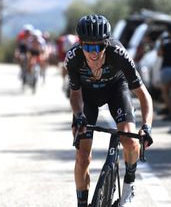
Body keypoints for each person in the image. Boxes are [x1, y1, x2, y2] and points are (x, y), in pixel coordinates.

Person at [65, 14, 154, 207]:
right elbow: (74, 94)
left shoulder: (118, 53)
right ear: (80, 45)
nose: (93, 53)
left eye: (98, 46)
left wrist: (147, 126)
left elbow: (143, 95)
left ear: (106, 44)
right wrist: (79, 116)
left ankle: (129, 186)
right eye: (88, 47)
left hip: (116, 91)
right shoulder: (73, 58)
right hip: (86, 98)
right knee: (82, 156)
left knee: (130, 140)